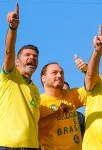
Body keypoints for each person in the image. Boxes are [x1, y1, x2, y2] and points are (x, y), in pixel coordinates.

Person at [0, 3, 40, 150]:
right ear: (17, 62)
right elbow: (9, 51)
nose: (32, 58)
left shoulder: (35, 89)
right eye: (27, 55)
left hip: (32, 147)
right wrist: (13, 28)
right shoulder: (10, 77)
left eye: (35, 56)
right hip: (7, 145)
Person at [38, 61, 87, 150]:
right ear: (43, 78)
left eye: (61, 73)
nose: (59, 75)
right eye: (54, 73)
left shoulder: (71, 95)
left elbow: (92, 88)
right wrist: (56, 114)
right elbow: (33, 127)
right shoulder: (39, 102)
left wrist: (86, 70)